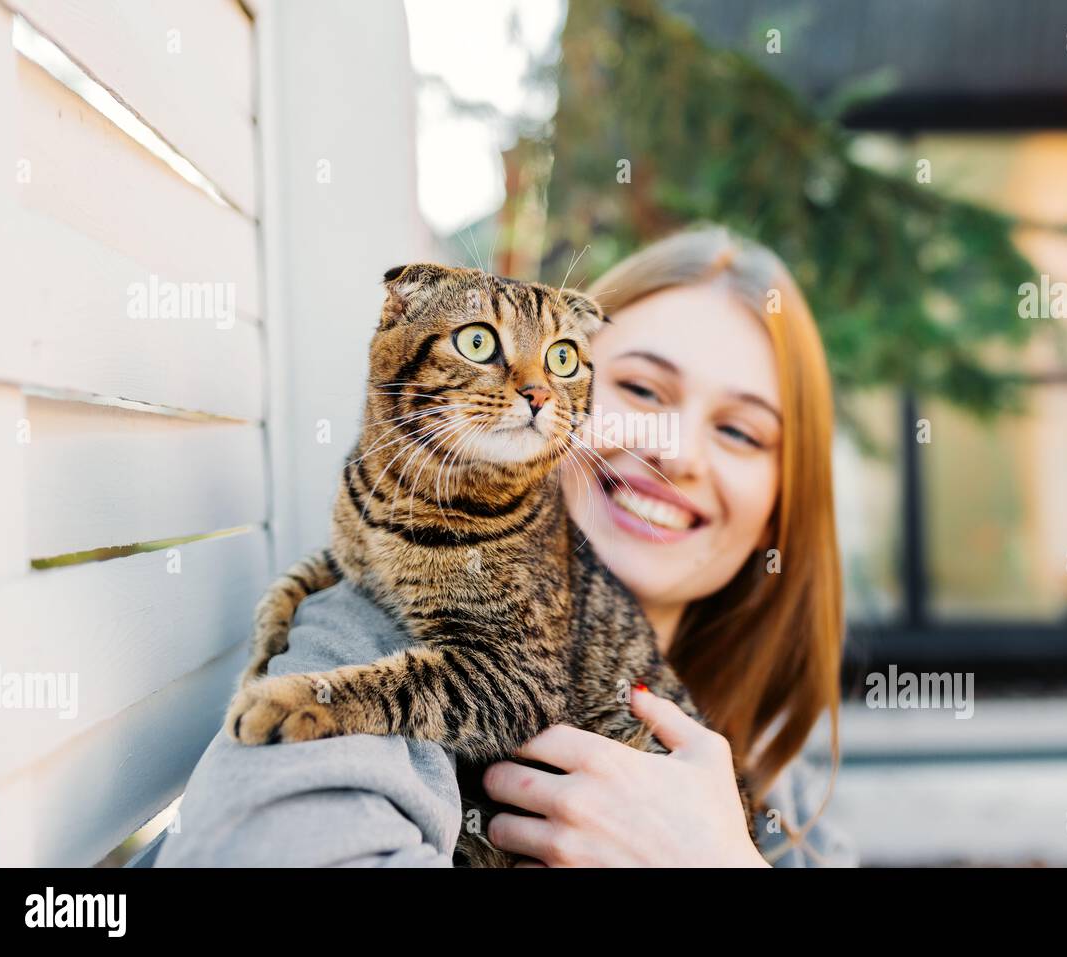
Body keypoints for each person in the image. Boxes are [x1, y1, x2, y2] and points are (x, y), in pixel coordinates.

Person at [155, 224, 853, 867]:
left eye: (741, 432)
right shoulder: (365, 629)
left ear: (779, 512)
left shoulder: (792, 802)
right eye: (641, 387)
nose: (678, 454)